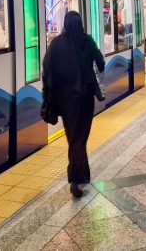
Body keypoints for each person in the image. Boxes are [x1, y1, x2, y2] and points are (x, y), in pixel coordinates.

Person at [42, 11, 104, 198]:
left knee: (73, 138)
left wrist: (50, 96)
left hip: (65, 101)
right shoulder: (87, 41)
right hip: (84, 99)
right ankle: (75, 180)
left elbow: (47, 71)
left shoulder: (56, 44)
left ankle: (82, 174)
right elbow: (100, 64)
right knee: (80, 139)